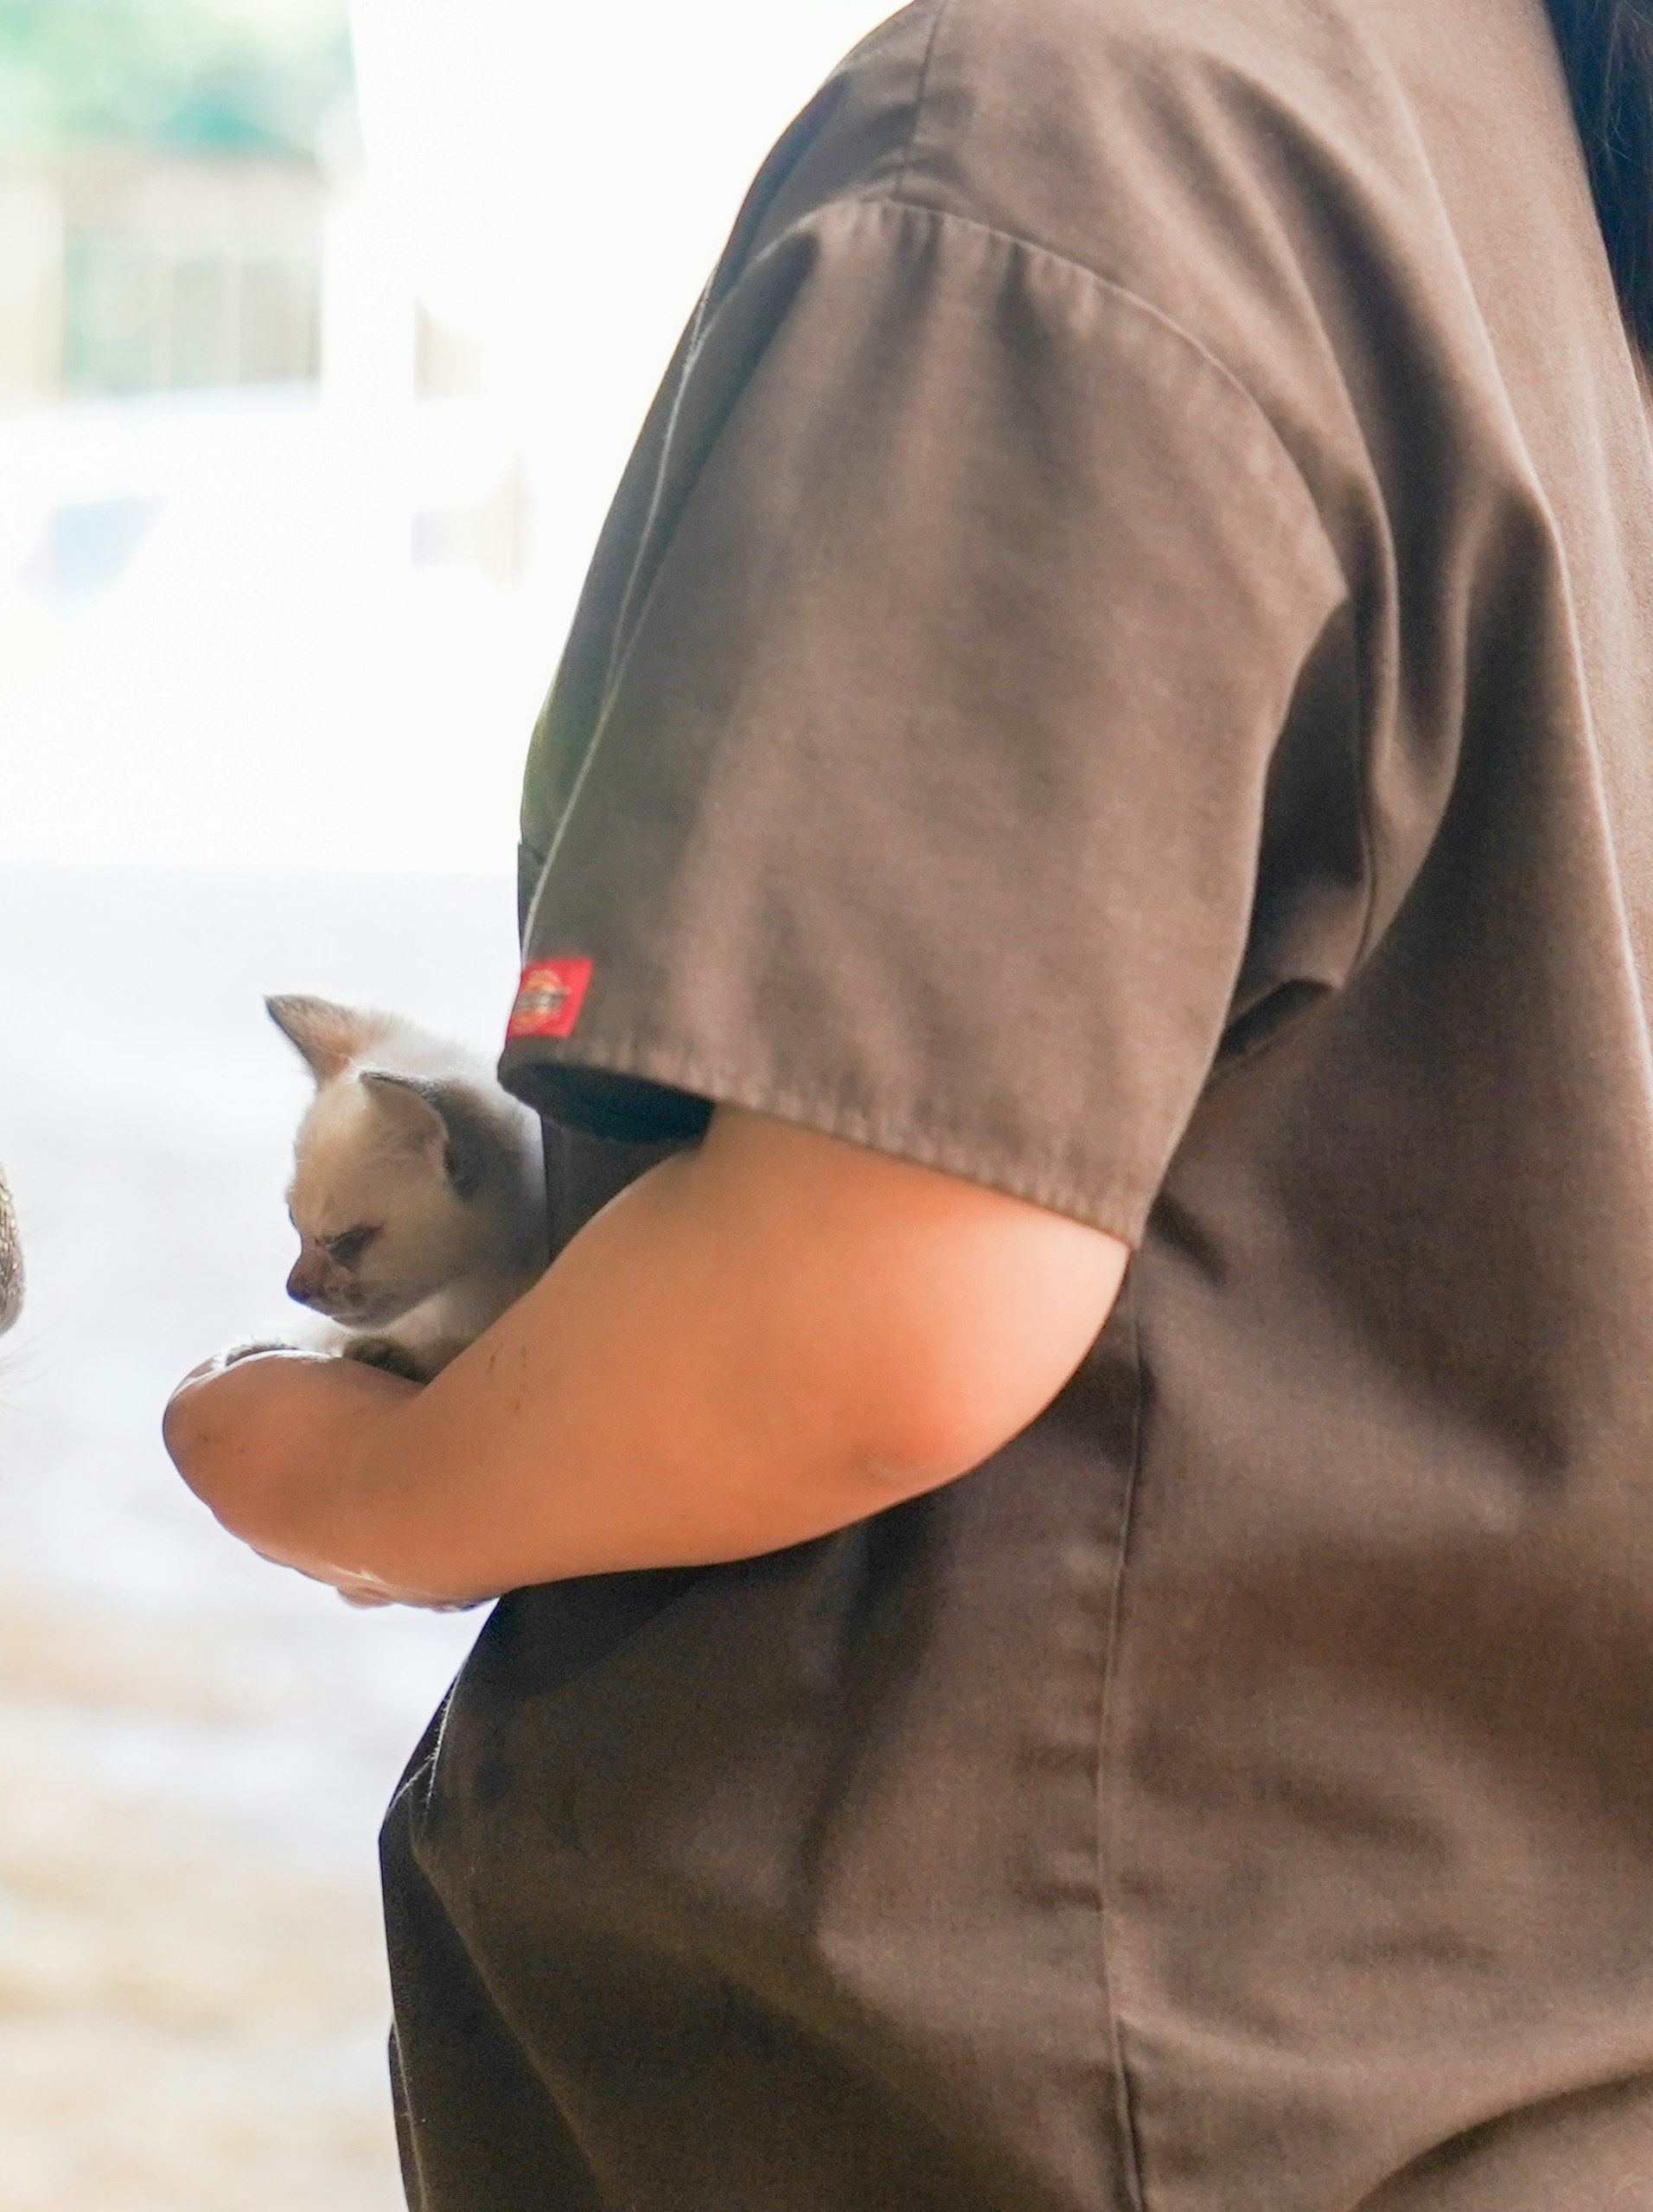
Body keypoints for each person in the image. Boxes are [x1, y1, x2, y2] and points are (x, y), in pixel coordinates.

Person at [161, 0, 1653, 2203]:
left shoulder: (1081, 145)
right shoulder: (1522, 157)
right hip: (1479, 2043)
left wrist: (350, 1477)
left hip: (1039, 2087)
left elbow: (851, 1323)